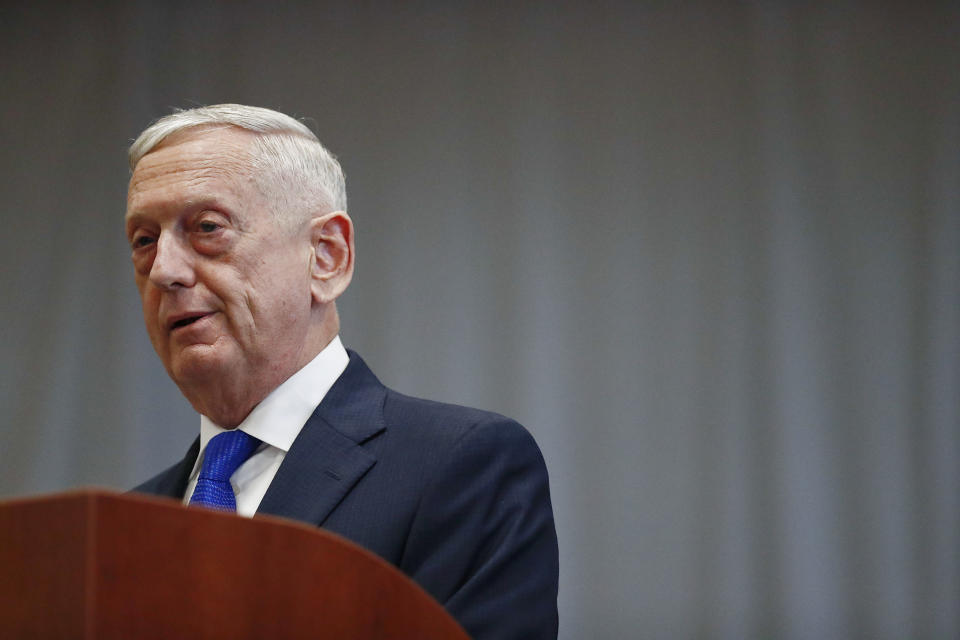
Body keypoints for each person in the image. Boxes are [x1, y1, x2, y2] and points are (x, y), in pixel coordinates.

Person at [127, 104, 558, 639]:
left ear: (326, 256)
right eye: (145, 241)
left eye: (208, 228)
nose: (164, 270)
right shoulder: (125, 527)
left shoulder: (460, 467)